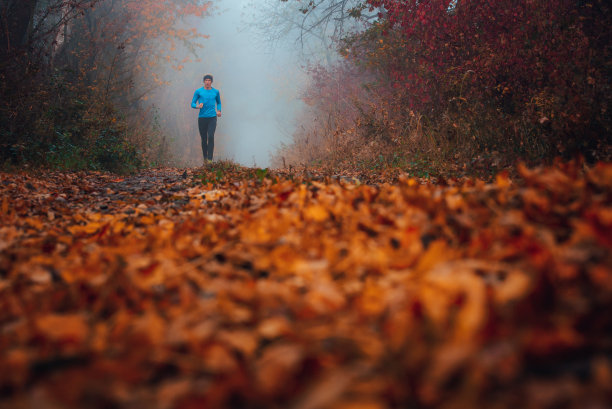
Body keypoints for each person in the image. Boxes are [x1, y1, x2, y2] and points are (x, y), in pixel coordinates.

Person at [191, 74, 222, 163]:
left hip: (212, 117)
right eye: (206, 80)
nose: (207, 82)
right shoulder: (198, 91)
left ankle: (209, 159)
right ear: (204, 81)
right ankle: (205, 159)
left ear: (211, 82)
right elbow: (192, 103)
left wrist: (219, 110)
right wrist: (197, 106)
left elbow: (219, 103)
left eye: (209, 80)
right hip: (202, 118)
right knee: (204, 139)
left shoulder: (216, 92)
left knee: (211, 136)